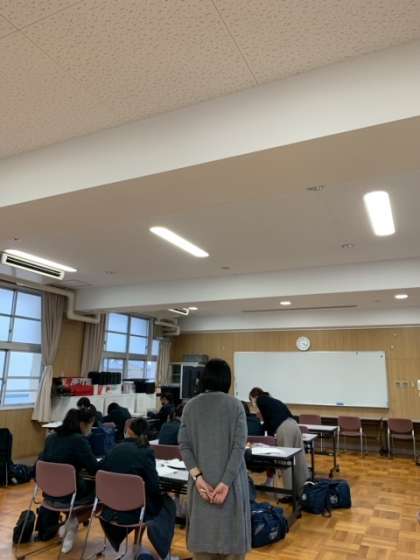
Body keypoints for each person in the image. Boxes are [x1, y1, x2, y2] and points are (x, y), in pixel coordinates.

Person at [179, 359, 251, 560]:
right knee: (232, 546)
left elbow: (184, 446)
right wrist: (225, 483)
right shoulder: (236, 406)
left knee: (202, 548)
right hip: (231, 486)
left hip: (201, 488)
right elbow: (239, 448)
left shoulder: (190, 407)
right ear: (227, 380)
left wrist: (198, 478)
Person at [101, 417, 166, 551]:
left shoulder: (115, 449)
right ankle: (157, 549)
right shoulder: (146, 452)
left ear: (129, 430)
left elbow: (101, 469)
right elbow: (154, 486)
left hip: (109, 509)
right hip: (134, 511)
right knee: (166, 503)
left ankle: (137, 544)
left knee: (143, 498)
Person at [39, 407, 98, 554]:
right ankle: (72, 523)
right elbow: (94, 468)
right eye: (90, 425)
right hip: (68, 496)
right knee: (102, 495)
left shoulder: (50, 438)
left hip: (48, 495)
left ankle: (70, 523)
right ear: (82, 424)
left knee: (80, 487)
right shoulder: (79, 440)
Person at [255, 394, 309, 496]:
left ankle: (288, 494)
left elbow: (267, 422)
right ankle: (304, 490)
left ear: (254, 396)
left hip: (284, 428)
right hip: (294, 425)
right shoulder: (274, 402)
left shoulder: (260, 400)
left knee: (285, 462)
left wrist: (267, 438)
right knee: (299, 459)